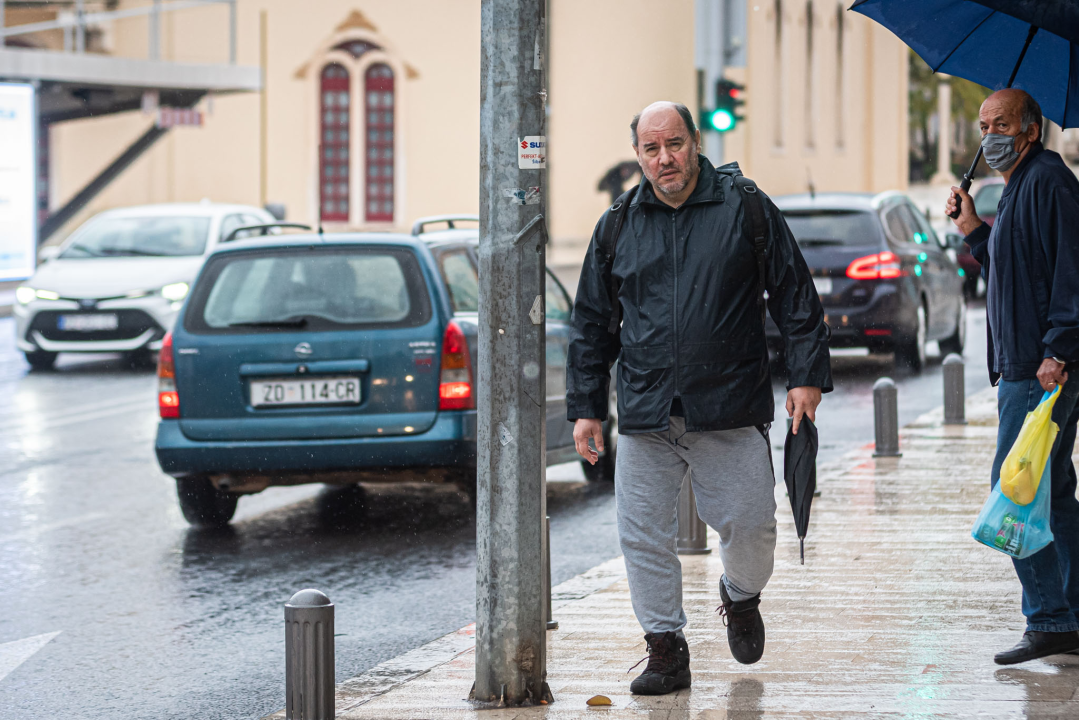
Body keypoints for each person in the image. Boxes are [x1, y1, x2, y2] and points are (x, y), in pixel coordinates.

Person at [566, 101, 832, 695]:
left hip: (729, 407)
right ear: (637, 154)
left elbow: (795, 295)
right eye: (652, 148)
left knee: (753, 530)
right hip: (645, 410)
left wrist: (806, 377)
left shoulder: (746, 207)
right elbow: (591, 324)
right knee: (640, 535)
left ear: (695, 143)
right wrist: (587, 406)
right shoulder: (617, 224)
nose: (666, 158)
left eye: (675, 144)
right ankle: (665, 647)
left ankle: (740, 596)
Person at [947, 88, 1079, 665]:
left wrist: (1058, 348)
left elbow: (1073, 272)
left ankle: (1049, 618)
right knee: (1056, 495)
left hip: (1041, 369)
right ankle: (1070, 611)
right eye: (982, 126)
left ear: (1030, 130)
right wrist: (976, 228)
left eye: (1000, 124)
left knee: (1017, 490)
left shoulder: (1049, 181)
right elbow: (1016, 267)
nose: (989, 136)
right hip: (1027, 365)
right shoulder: (1020, 186)